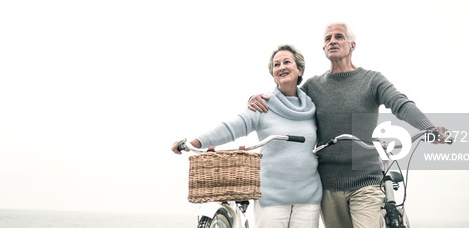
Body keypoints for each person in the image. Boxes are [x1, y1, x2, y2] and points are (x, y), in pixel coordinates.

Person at [248, 23, 449, 228]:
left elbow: (400, 103)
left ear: (352, 45)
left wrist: (428, 127)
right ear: (324, 49)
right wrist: (258, 98)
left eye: (339, 37)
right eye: (328, 39)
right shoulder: (313, 87)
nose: (333, 41)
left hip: (366, 181)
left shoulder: (372, 80)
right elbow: (286, 99)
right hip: (328, 185)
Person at [172, 45, 322, 228]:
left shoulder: (313, 107)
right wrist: (194, 142)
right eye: (276, 64)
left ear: (299, 69)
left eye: (287, 62)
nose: (281, 67)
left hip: (309, 199)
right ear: (273, 73)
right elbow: (231, 128)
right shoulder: (263, 105)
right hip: (272, 198)